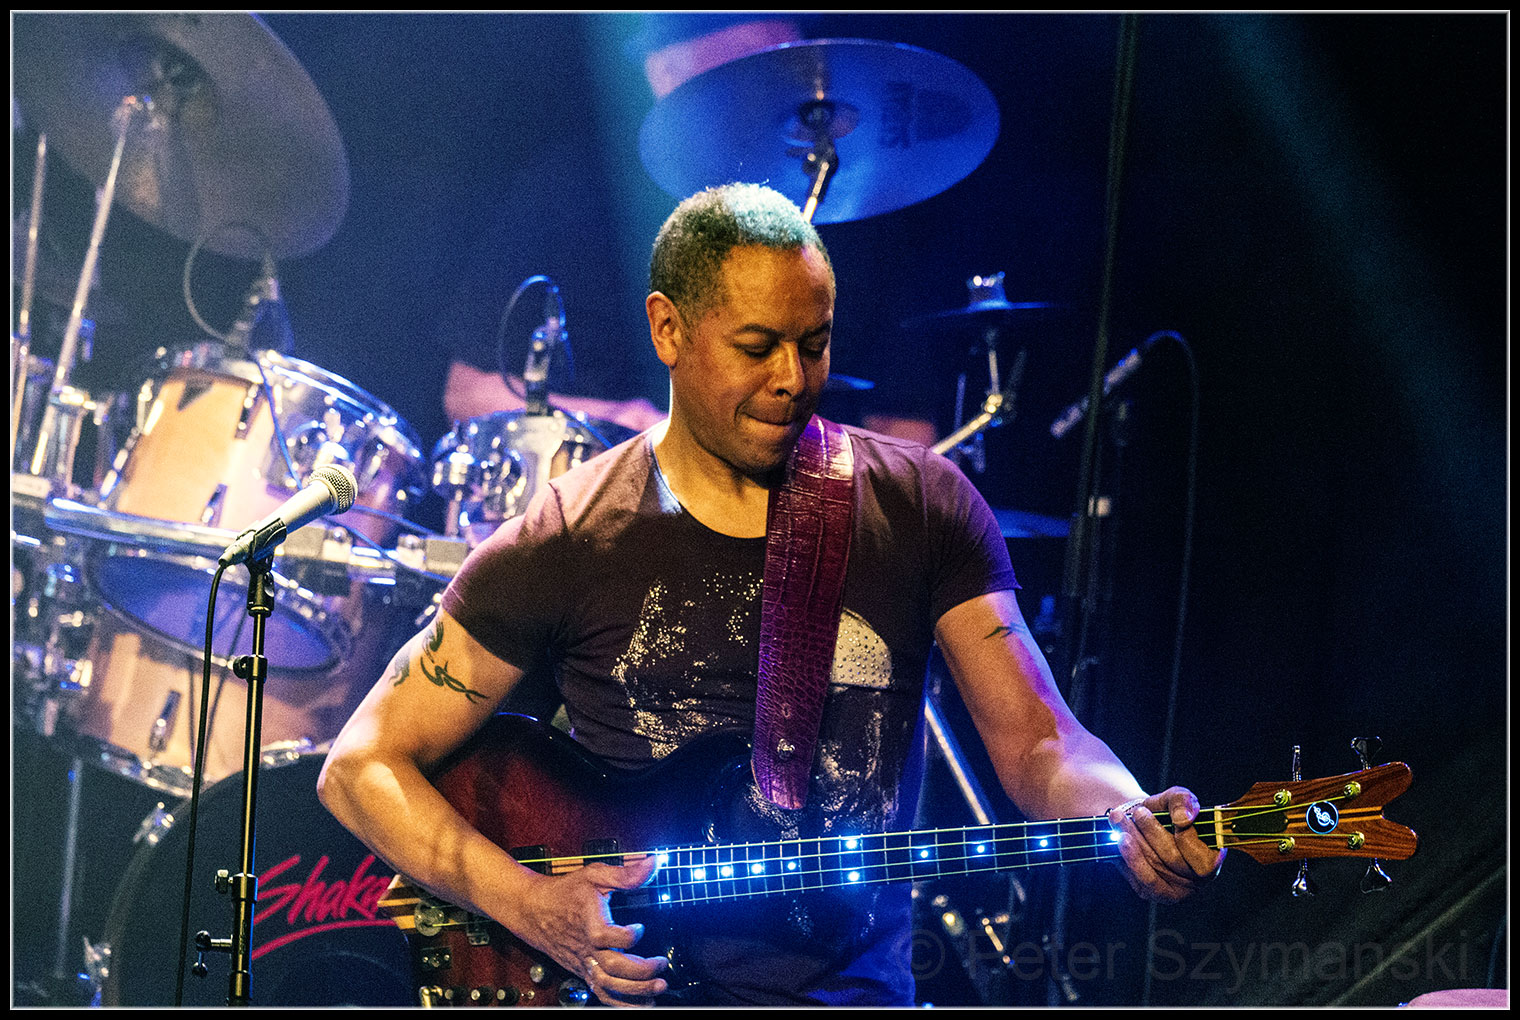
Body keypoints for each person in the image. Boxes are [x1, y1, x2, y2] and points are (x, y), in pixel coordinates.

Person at [317, 183, 1222, 1007]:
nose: (792, 378)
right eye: (756, 348)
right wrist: (529, 905)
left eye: (814, 343)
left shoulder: (919, 506)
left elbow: (1042, 741)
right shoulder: (574, 530)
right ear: (668, 330)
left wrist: (1125, 809)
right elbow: (360, 765)